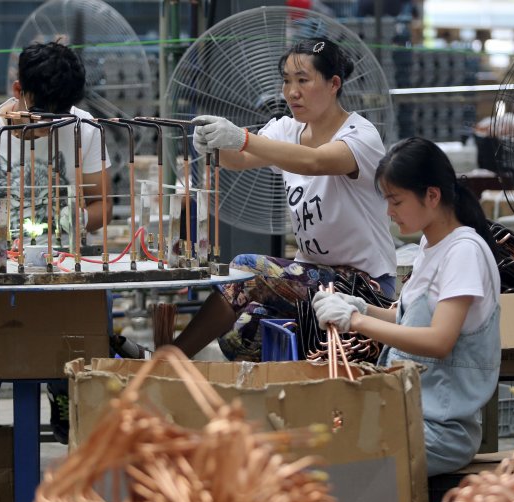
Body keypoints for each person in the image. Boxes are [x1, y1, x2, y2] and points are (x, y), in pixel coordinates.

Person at [163, 37, 397, 361]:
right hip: (310, 276)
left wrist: (242, 137)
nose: (291, 92)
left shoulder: (360, 136)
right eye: (286, 81)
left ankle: (168, 359)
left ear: (334, 84)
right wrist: (215, 146)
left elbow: (313, 161)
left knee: (247, 268)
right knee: (240, 336)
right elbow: (241, 158)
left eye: (303, 80)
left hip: (361, 287)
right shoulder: (287, 129)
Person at [0, 41, 111, 444]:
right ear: (18, 90)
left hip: (62, 277)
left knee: (84, 390)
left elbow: (104, 207)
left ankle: (64, 404)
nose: (49, 127)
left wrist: (78, 219)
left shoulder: (84, 127)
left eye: (58, 117)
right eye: (41, 114)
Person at [312, 137, 501, 476]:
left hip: (441, 430)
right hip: (408, 410)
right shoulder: (432, 244)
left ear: (432, 195)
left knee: (336, 460)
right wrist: (362, 307)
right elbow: (408, 321)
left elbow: (438, 341)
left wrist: (355, 320)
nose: (389, 211)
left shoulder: (464, 252)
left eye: (396, 200)